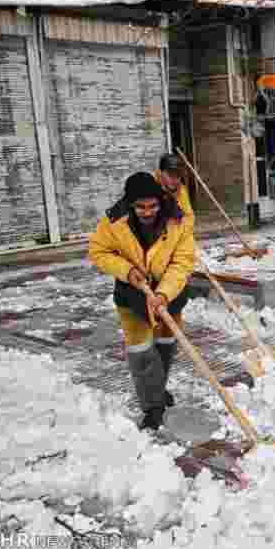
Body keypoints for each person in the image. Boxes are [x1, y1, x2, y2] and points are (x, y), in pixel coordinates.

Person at [88, 172, 194, 431]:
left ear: (160, 201)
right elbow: (98, 251)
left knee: (165, 346)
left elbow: (183, 261)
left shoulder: (177, 220)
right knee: (141, 352)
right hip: (132, 294)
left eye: (153, 206)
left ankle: (157, 389)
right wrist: (127, 271)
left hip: (170, 292)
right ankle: (152, 406)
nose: (147, 212)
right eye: (140, 207)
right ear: (130, 203)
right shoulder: (114, 222)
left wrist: (163, 293)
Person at [154, 154, 194, 227]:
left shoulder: (181, 191)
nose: (175, 179)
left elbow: (189, 217)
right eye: (170, 174)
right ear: (160, 173)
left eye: (178, 175)